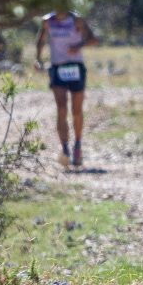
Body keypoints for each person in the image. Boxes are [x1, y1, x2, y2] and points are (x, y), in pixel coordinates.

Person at [35, 10, 98, 167]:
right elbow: (41, 40)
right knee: (61, 109)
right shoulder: (47, 21)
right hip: (57, 68)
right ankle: (64, 149)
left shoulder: (77, 19)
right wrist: (37, 59)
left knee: (76, 111)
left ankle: (77, 145)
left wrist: (78, 46)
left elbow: (92, 40)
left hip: (76, 67)